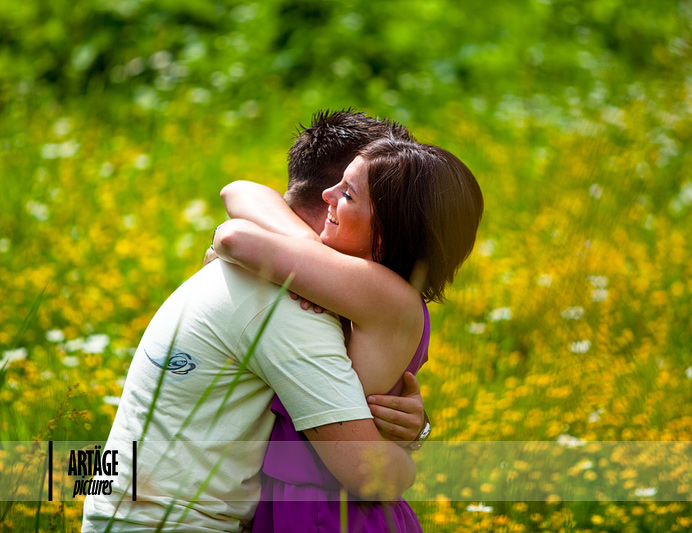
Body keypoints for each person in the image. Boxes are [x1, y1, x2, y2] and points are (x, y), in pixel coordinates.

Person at [81, 110, 427, 533]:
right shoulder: (289, 302)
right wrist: (410, 456)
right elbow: (365, 472)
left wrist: (413, 424)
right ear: (330, 199)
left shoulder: (271, 277)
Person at [212, 135, 484, 531]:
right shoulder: (375, 296)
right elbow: (237, 190)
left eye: (348, 195)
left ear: (386, 234)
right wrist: (308, 249)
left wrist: (302, 258)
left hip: (331, 512)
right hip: (308, 501)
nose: (327, 194)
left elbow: (232, 238)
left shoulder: (384, 295)